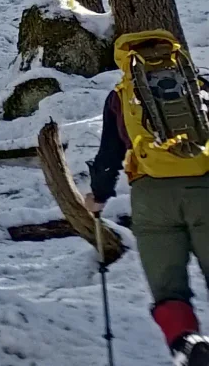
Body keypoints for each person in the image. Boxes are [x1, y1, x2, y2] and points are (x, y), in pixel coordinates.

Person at [88, 29, 209, 366]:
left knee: (168, 289)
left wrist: (98, 197)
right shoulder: (196, 84)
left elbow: (108, 156)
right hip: (204, 186)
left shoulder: (121, 96)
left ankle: (188, 344)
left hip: (151, 195)